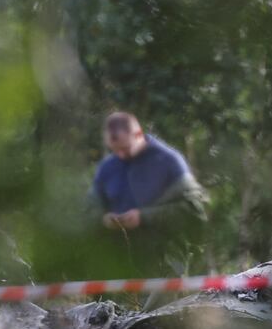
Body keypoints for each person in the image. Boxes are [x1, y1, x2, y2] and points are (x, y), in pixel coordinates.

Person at [89, 111, 208, 274]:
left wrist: (143, 217)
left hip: (164, 263)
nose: (120, 155)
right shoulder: (107, 167)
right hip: (117, 264)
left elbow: (193, 212)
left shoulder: (170, 162)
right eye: (115, 150)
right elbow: (89, 209)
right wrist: (104, 219)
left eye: (125, 148)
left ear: (138, 134)